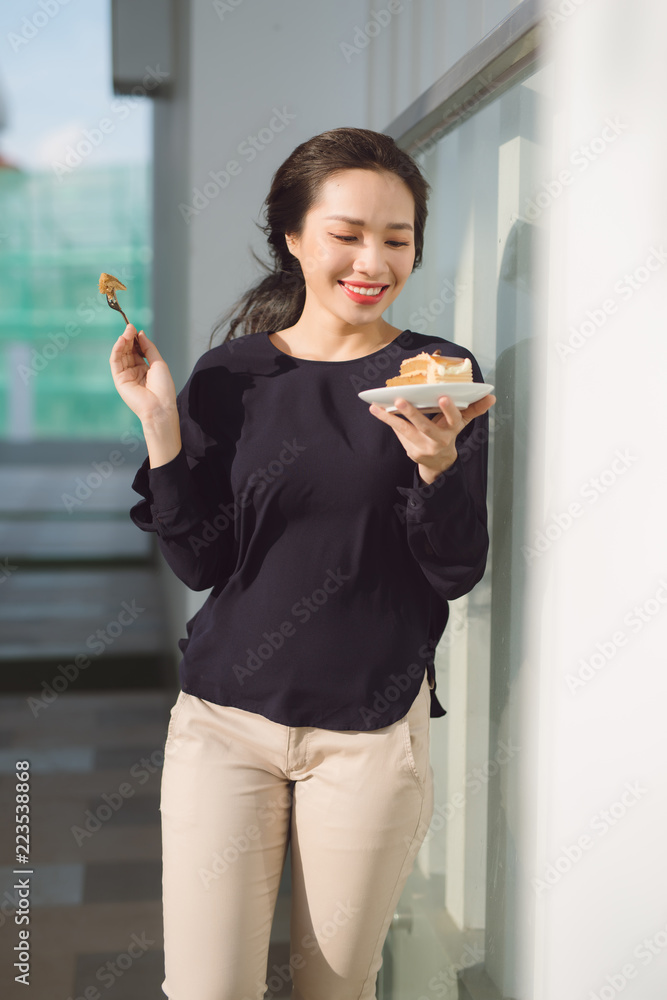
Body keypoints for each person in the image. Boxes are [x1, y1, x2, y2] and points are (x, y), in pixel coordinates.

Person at [109, 127, 495, 1000]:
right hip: (223, 725)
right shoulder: (229, 375)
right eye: (346, 234)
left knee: (333, 988)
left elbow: (454, 569)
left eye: (396, 239)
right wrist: (162, 426)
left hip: (366, 734)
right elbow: (200, 562)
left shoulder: (436, 378)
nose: (373, 260)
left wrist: (435, 465)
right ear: (292, 237)